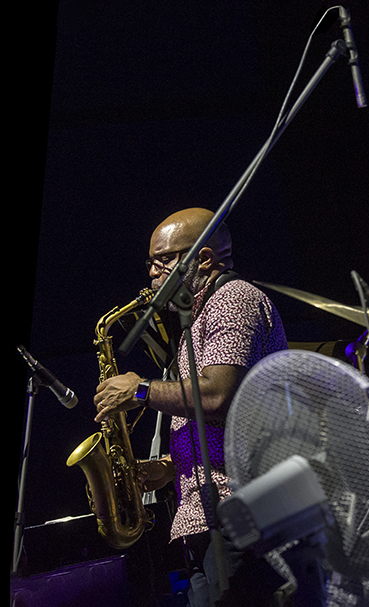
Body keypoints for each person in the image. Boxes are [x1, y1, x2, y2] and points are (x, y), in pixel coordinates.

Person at [93, 207, 290, 606]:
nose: (152, 273)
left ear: (204, 257)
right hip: (209, 518)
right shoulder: (195, 318)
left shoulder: (232, 299)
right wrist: (170, 468)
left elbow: (218, 396)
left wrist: (142, 389)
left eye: (162, 261)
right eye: (150, 263)